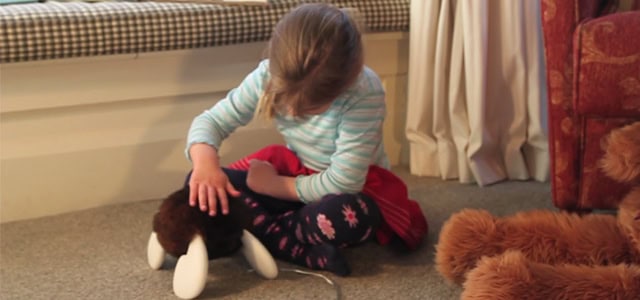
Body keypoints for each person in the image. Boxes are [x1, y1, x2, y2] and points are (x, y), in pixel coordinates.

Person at [185, 3, 427, 276]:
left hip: (352, 189)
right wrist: (206, 165)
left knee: (346, 216)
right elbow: (211, 122)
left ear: (345, 84)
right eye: (285, 101)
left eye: (309, 109)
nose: (290, 112)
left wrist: (272, 185)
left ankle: (273, 234)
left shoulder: (363, 91)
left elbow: (344, 181)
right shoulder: (267, 75)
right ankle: (291, 234)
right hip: (295, 174)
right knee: (200, 185)